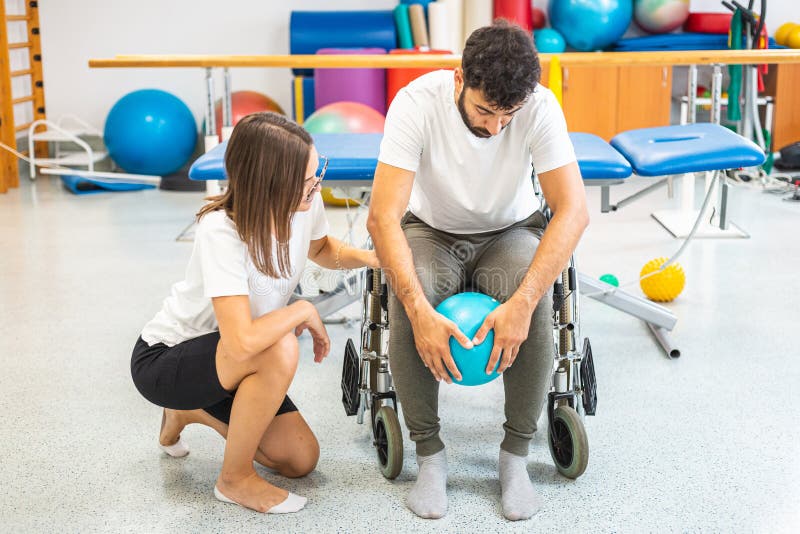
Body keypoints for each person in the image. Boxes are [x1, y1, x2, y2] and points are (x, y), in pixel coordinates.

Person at [367, 21, 589, 520]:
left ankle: (515, 458)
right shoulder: (415, 103)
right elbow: (382, 217)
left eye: (507, 116)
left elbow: (573, 210)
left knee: (529, 306)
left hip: (509, 230)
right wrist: (421, 311)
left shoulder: (539, 106)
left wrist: (524, 302)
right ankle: (430, 455)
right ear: (459, 79)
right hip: (430, 229)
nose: (495, 127)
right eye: (485, 111)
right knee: (410, 297)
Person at [131, 112, 378, 514]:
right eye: (308, 180)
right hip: (167, 359)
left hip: (229, 364)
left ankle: (189, 410)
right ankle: (234, 480)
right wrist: (300, 310)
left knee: (300, 460)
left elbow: (320, 250)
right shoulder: (221, 232)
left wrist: (369, 257)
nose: (318, 186)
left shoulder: (302, 204)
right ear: (270, 185)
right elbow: (242, 340)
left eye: (320, 173)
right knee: (279, 346)